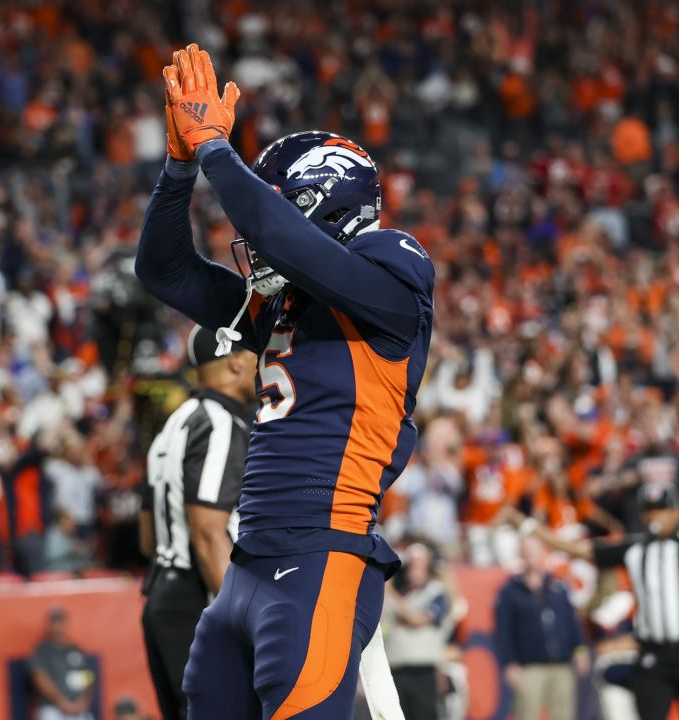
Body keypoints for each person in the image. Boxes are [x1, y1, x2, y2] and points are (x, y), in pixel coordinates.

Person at [136, 44, 435, 718]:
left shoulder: (394, 272)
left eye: (286, 210)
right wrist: (181, 165)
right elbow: (164, 271)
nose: (259, 239)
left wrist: (216, 147)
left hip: (320, 562)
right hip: (246, 572)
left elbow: (277, 233)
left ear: (326, 211)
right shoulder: (284, 303)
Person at [505, 483, 679, 720]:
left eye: (662, 509)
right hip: (653, 654)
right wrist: (528, 526)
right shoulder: (634, 549)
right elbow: (578, 550)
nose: (656, 515)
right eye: (650, 509)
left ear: (677, 512)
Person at [140, 325, 258, 720]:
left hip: (164, 595)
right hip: (199, 599)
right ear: (237, 363)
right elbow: (208, 534)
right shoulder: (219, 424)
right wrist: (245, 626)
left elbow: (148, 537)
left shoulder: (176, 422)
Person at [493, 536, 589, 720]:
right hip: (530, 666)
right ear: (520, 554)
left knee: (564, 715)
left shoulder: (558, 586)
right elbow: (503, 631)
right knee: (527, 713)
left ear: (543, 552)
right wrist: (509, 663)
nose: (531, 555)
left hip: (561, 663)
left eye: (535, 550)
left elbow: (572, 622)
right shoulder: (510, 591)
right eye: (526, 550)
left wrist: (580, 649)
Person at [382, 543, 450, 720]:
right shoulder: (399, 595)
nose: (415, 569)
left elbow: (416, 618)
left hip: (423, 672)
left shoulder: (436, 592)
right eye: (411, 564)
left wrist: (390, 592)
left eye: (419, 563)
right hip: (396, 670)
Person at [29, 608, 96, 720]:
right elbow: (40, 679)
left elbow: (88, 677)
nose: (58, 626)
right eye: (54, 622)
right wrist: (61, 701)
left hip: (77, 709)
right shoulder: (42, 651)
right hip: (52, 709)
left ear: (66, 624)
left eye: (60, 622)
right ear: (49, 625)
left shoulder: (75, 650)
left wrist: (82, 701)